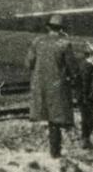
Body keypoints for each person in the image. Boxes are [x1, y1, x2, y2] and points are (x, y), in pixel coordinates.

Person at [27, 14, 79, 158]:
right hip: (57, 85)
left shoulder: (37, 42)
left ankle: (52, 151)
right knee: (56, 119)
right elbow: (73, 67)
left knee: (47, 117)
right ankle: (55, 152)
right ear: (62, 29)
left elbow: (29, 63)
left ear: (48, 27)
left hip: (39, 85)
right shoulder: (64, 44)